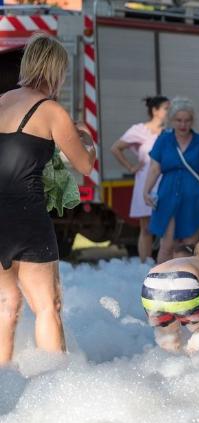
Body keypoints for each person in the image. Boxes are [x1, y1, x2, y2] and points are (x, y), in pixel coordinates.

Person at [0, 33, 97, 364]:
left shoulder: (1, 100)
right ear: (57, 70)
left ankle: (5, 386)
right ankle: (58, 390)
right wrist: (88, 142)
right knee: (48, 305)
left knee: (7, 303)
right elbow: (83, 165)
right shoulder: (52, 110)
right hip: (26, 215)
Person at [143, 97, 199, 264]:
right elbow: (155, 168)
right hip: (168, 197)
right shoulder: (164, 140)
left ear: (192, 121)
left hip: (194, 199)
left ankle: (186, 283)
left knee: (189, 245)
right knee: (167, 245)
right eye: (179, 120)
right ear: (171, 120)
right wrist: (146, 190)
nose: (183, 124)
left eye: (187, 120)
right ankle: (161, 283)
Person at [110, 95, 169, 262]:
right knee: (146, 227)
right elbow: (116, 148)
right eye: (166, 108)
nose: (169, 111)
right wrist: (131, 167)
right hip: (145, 181)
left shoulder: (170, 131)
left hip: (166, 181)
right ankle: (145, 263)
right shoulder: (139, 130)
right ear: (155, 110)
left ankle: (165, 262)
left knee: (168, 226)